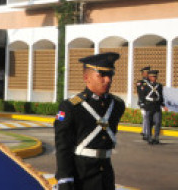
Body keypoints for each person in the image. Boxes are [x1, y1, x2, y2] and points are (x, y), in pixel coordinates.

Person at [54, 53, 126, 190]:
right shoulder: (71, 107)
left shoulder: (117, 105)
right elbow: (63, 146)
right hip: (81, 176)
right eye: (102, 75)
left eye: (110, 75)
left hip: (106, 174)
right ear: (86, 77)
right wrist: (64, 178)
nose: (108, 80)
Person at [140, 69, 167, 145]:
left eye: (155, 76)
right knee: (149, 122)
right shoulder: (145, 86)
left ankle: (156, 137)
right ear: (149, 77)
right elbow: (142, 95)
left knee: (158, 122)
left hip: (157, 106)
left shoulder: (159, 86)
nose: (154, 78)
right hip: (148, 105)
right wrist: (142, 104)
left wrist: (163, 105)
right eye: (152, 76)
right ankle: (149, 137)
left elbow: (161, 96)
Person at [135, 66, 150, 139]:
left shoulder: (151, 82)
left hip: (150, 103)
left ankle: (145, 131)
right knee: (145, 116)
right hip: (143, 102)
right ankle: (145, 132)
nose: (144, 74)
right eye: (143, 73)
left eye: (146, 73)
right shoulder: (140, 82)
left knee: (147, 117)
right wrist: (142, 102)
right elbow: (140, 93)